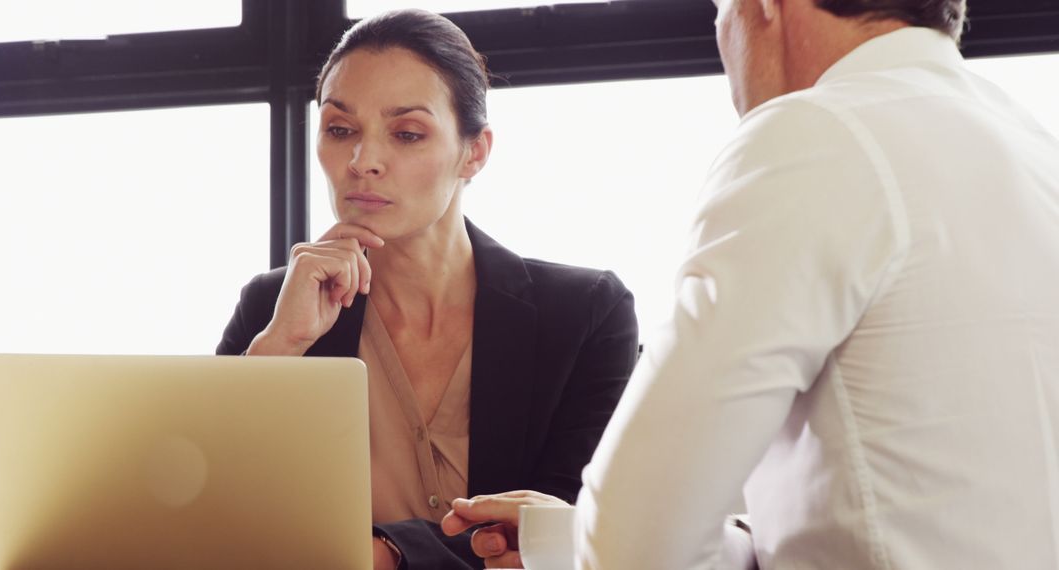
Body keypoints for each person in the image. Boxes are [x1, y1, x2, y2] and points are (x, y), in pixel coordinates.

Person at [446, 0, 1059, 568]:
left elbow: (632, 547)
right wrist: (567, 538)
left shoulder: (815, 132)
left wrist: (603, 533)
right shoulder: (1029, 144)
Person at [215, 9, 639, 570]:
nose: (363, 162)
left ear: (475, 152)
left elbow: (567, 533)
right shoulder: (271, 311)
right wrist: (280, 347)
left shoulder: (585, 314)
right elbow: (210, 518)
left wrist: (385, 553)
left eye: (407, 134)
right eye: (340, 130)